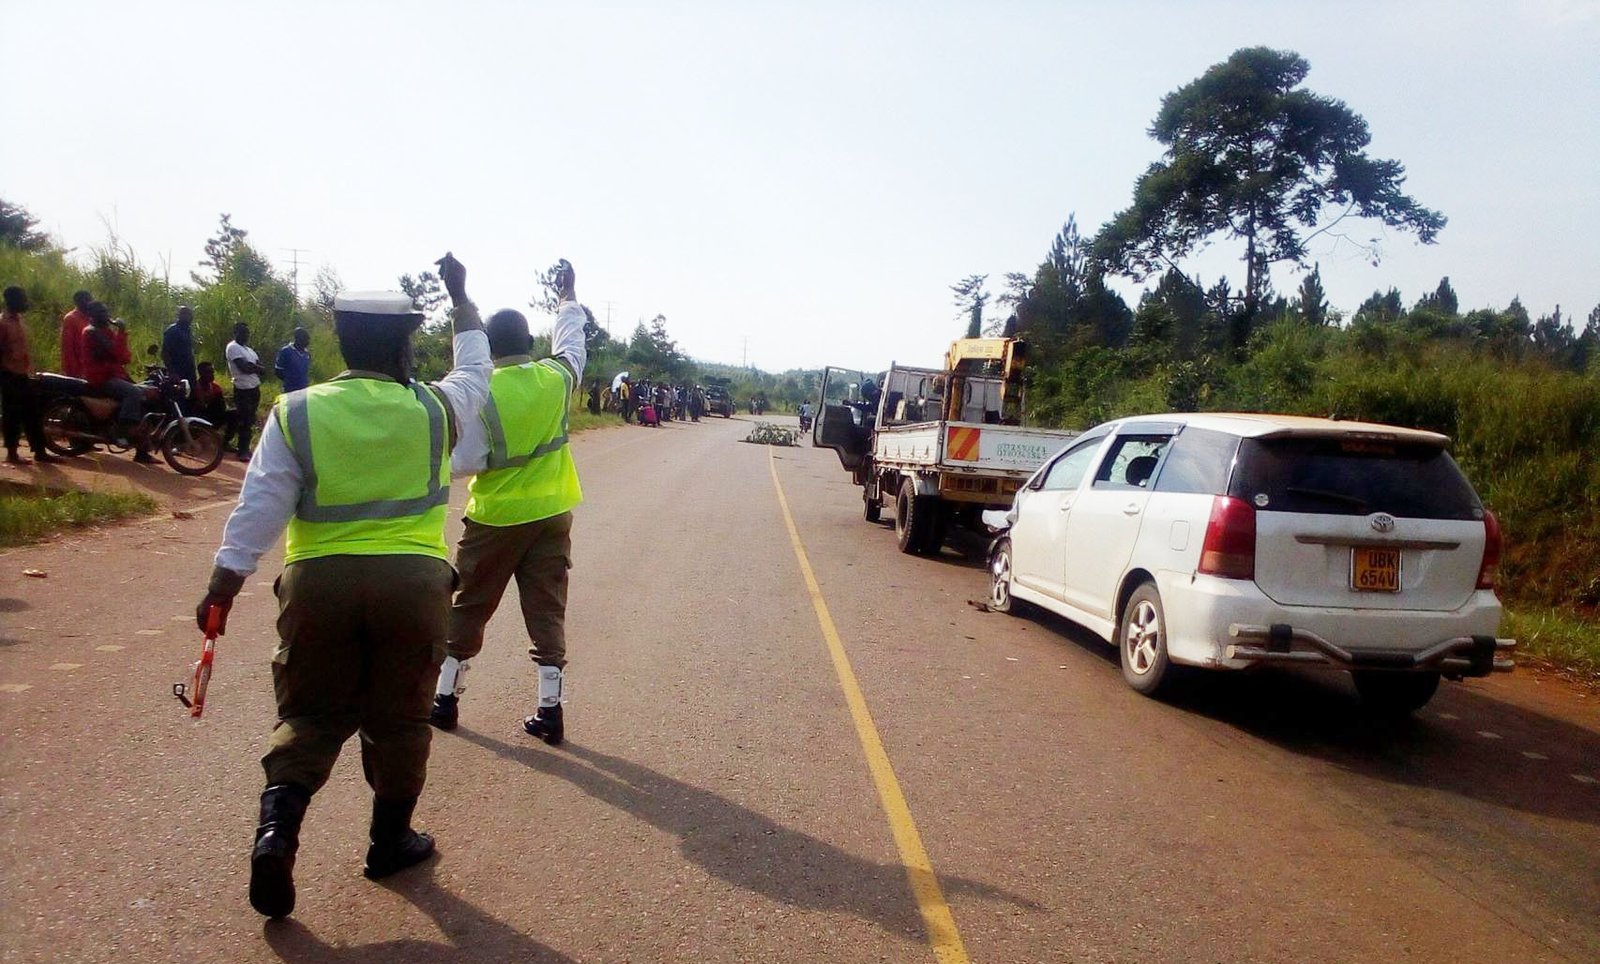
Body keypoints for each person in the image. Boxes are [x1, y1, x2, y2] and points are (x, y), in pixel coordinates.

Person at [195, 252, 491, 921]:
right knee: (402, 719)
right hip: (413, 587)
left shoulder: (297, 412)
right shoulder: (436, 409)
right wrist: (461, 297)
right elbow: (475, 370)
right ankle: (389, 842)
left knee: (308, 715)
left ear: (343, 340)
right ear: (404, 344)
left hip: (318, 585)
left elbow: (260, 506)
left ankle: (278, 832)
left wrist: (224, 583)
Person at [431, 260, 585, 745]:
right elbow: (572, 344)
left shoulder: (482, 394)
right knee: (547, 612)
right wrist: (568, 297)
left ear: (491, 350)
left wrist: (460, 298)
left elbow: (461, 462)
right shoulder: (554, 378)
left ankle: (444, 700)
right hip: (552, 514)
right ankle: (550, 710)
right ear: (530, 345)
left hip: (495, 519)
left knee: (468, 608)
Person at [81, 303, 156, 464]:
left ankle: (142, 451)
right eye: (101, 312)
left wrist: (120, 344)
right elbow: (116, 353)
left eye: (106, 311)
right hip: (101, 378)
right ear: (92, 314)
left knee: (147, 394)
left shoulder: (105, 332)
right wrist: (122, 332)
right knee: (133, 392)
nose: (106, 315)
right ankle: (124, 430)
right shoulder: (91, 332)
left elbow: (124, 357)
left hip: (114, 375)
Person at [0, 287, 61, 465]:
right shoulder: (3, 323)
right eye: (22, 299)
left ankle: (40, 452)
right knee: (12, 415)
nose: (25, 302)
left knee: (33, 413)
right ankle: (12, 454)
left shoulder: (19, 320)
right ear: (11, 300)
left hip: (22, 374)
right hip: (8, 374)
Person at [225, 322, 263, 461]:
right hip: (242, 388)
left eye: (247, 332)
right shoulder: (233, 347)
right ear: (235, 332)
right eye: (243, 332)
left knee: (248, 418)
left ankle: (227, 442)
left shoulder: (250, 351)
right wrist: (255, 367)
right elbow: (244, 368)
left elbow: (261, 368)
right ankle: (243, 450)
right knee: (245, 420)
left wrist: (253, 367)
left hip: (254, 388)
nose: (246, 335)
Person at [161, 306, 198, 386]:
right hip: (177, 370)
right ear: (180, 316)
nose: (189, 317)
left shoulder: (187, 330)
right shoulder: (172, 330)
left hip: (189, 370)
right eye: (185, 314)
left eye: (190, 315)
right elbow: (165, 353)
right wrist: (172, 372)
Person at [60, 290, 91, 379]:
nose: (89, 303)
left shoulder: (90, 317)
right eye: (86, 300)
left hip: (91, 368)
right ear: (78, 302)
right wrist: (74, 373)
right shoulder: (70, 319)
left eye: (90, 300)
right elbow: (68, 348)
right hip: (78, 370)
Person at [192, 361, 229, 430]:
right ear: (201, 373)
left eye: (212, 372)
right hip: (200, 417)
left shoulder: (216, 387)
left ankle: (226, 439)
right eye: (208, 372)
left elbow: (222, 407)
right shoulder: (194, 387)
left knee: (235, 413)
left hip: (215, 416)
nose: (212, 374)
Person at [274, 327, 312, 393]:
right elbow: (278, 371)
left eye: (308, 339)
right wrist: (290, 381)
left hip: (304, 390)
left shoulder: (307, 354)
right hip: (290, 390)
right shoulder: (286, 351)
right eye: (305, 339)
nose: (307, 342)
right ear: (297, 338)